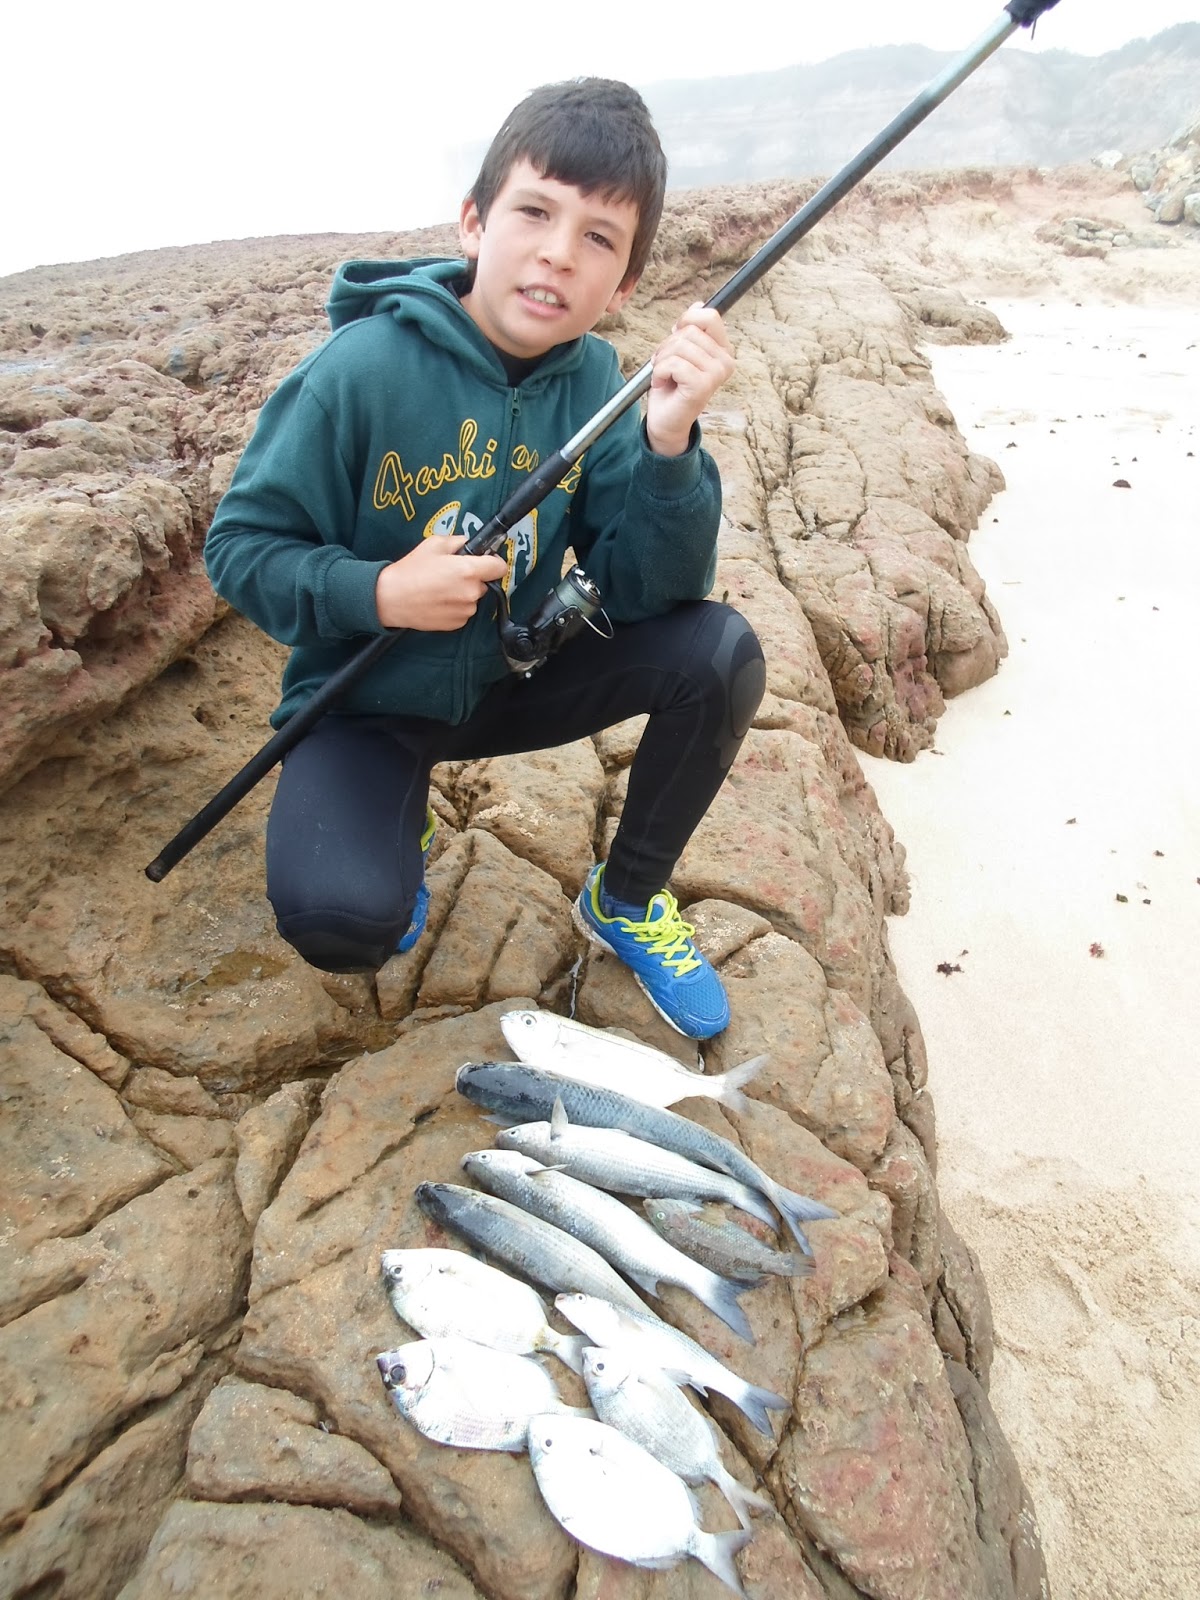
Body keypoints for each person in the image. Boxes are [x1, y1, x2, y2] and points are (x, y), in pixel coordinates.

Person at [204, 77, 765, 1041]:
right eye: (535, 212)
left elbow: (656, 592)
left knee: (719, 654)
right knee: (342, 921)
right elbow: (239, 548)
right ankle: (402, 817)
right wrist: (380, 591)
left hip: (513, 681)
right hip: (368, 700)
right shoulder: (359, 371)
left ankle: (626, 899)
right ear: (473, 221)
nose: (559, 252)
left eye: (600, 238)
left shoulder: (600, 383)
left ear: (625, 285)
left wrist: (669, 444)